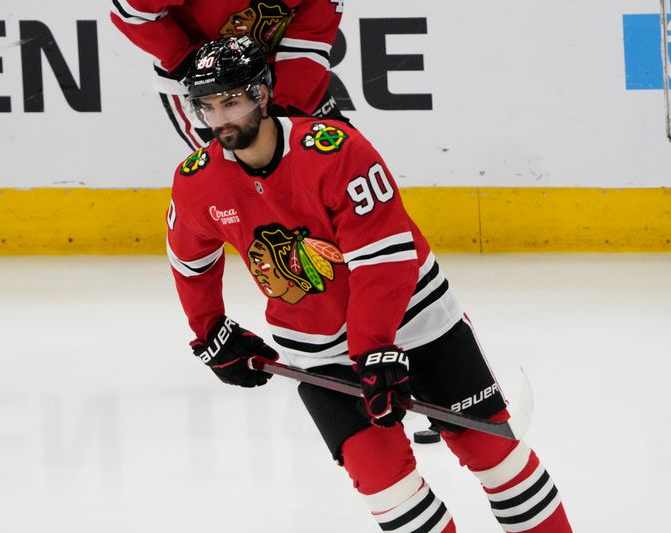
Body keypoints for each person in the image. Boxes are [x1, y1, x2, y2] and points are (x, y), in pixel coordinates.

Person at [166, 36, 573, 533]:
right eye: (207, 106)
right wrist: (209, 330)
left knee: (498, 460)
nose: (220, 119)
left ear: (263, 93)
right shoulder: (196, 181)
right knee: (390, 495)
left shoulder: (336, 151)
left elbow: (385, 260)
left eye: (231, 101)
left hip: (417, 324)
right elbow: (190, 259)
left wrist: (374, 348)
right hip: (321, 354)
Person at [110, 0, 344, 150]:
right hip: (199, 80)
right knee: (240, 176)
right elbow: (130, 10)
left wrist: (284, 112)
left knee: (336, 155)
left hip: (276, 68)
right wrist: (192, 63)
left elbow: (307, 45)